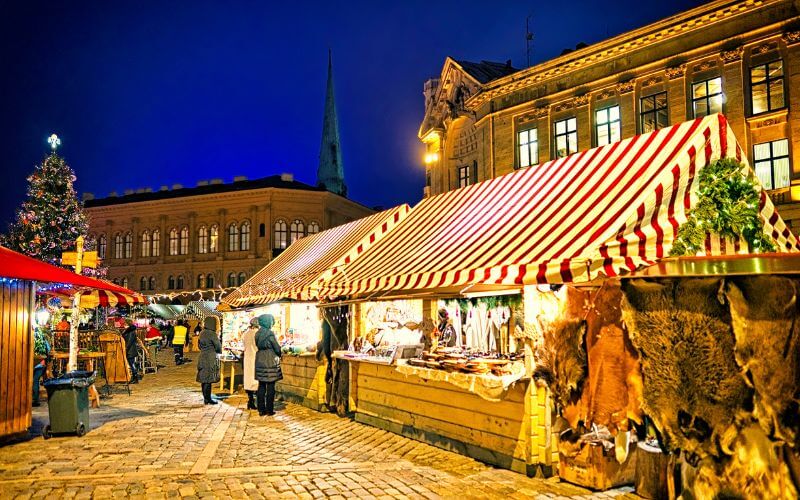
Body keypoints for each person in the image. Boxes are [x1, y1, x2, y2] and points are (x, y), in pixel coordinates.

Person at [254, 314, 283, 416]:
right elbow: (277, 348)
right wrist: (280, 353)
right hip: (270, 360)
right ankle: (269, 410)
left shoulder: (257, 333)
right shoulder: (270, 334)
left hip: (260, 359)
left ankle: (261, 409)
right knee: (271, 386)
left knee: (261, 386)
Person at [196, 316, 222, 405]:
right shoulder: (212, 334)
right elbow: (218, 346)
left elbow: (199, 346)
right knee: (208, 379)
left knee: (204, 379)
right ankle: (208, 399)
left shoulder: (202, 333)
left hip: (202, 356)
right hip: (210, 357)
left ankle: (206, 398)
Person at [242, 317, 259, 410]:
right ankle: (255, 402)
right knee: (256, 380)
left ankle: (250, 400)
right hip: (256, 358)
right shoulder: (257, 333)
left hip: (247, 357)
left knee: (248, 380)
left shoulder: (246, 333)